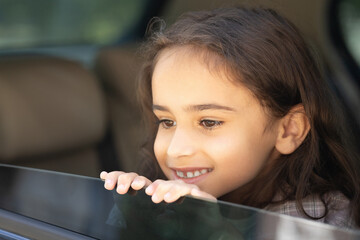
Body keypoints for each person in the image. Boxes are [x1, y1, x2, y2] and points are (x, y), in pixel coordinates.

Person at [100, 7, 360, 229]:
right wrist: (136, 224)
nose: (176, 150)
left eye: (209, 122)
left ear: (289, 130)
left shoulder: (323, 220)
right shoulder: (162, 201)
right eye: (167, 122)